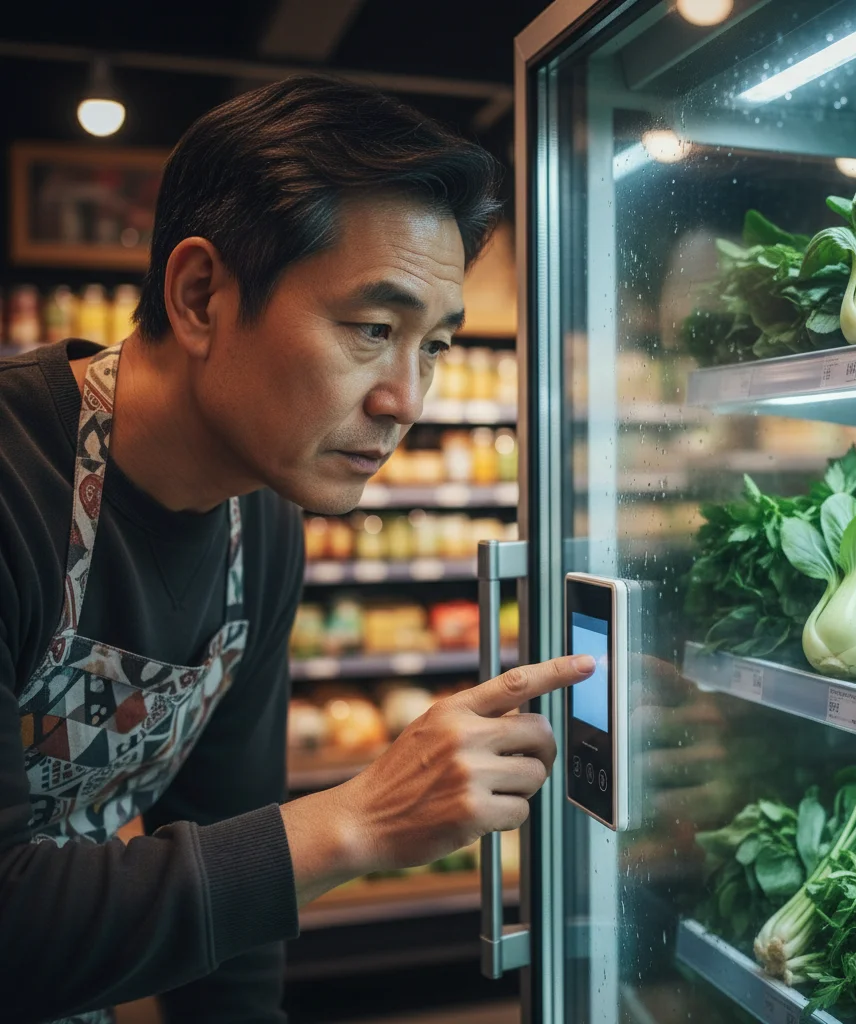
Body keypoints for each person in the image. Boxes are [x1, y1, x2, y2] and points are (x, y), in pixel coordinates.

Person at [0, 75, 595, 1023]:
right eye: (372, 329)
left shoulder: (259, 522)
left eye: (434, 345)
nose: (408, 399)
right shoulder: (14, 485)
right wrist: (360, 818)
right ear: (200, 296)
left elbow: (224, 859)